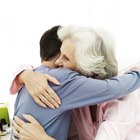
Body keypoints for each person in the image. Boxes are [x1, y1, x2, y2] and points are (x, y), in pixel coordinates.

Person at [11, 25, 140, 140]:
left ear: (87, 67)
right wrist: (25, 74)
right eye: (59, 54)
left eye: (65, 57)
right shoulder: (73, 95)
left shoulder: (122, 102)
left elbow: (114, 88)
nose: (57, 62)